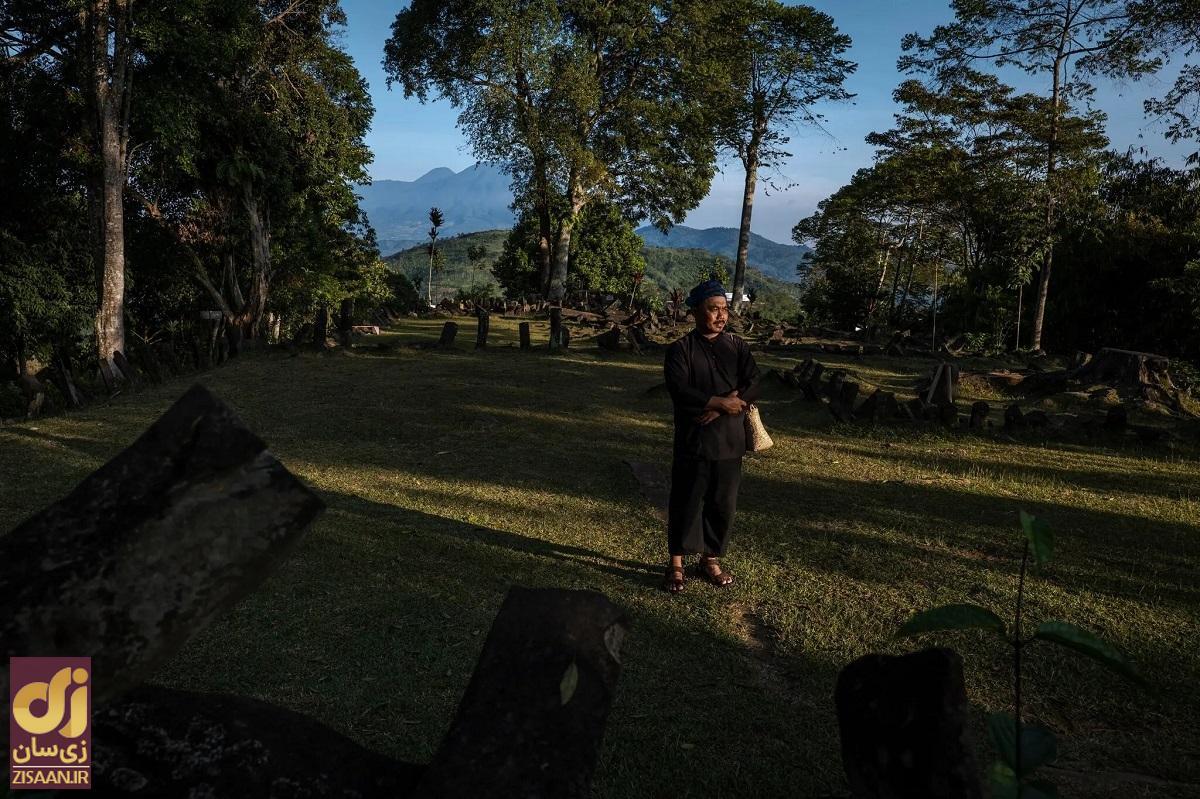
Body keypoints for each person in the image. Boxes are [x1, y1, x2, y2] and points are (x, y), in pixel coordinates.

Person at [661, 279, 761, 593]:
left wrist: (723, 408)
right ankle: (676, 562)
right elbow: (679, 388)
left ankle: (711, 558)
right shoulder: (681, 350)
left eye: (724, 309)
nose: (720, 315)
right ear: (695, 312)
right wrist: (715, 402)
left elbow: (755, 381)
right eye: (712, 309)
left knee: (722, 504)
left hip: (730, 442)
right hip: (694, 440)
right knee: (686, 501)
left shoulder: (737, 346)